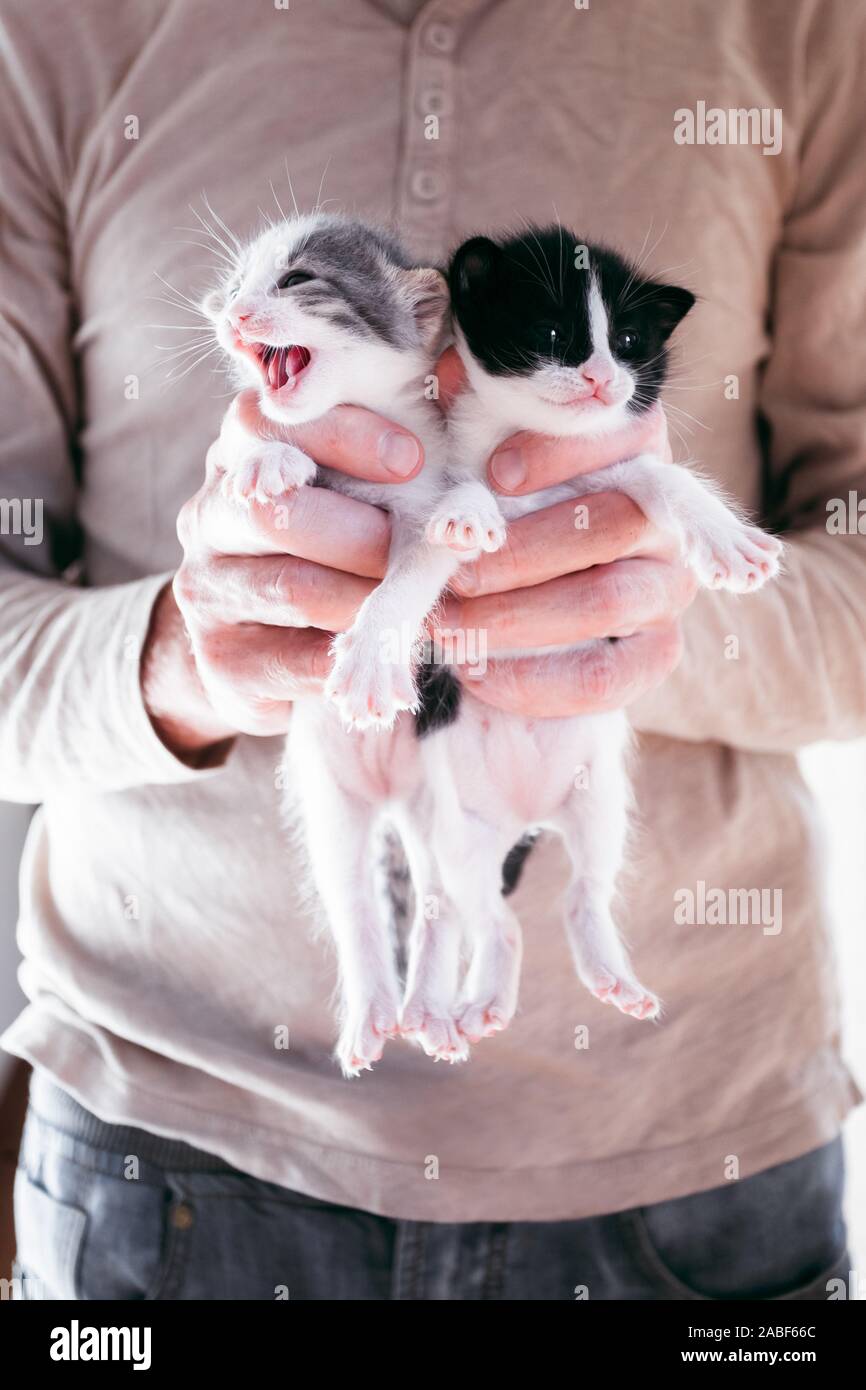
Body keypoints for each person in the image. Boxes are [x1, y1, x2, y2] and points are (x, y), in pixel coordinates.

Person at [0, 0, 862, 1300]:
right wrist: (184, 652)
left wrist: (636, 600)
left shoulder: (799, 28)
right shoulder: (43, 34)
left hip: (699, 1166)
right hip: (170, 1156)